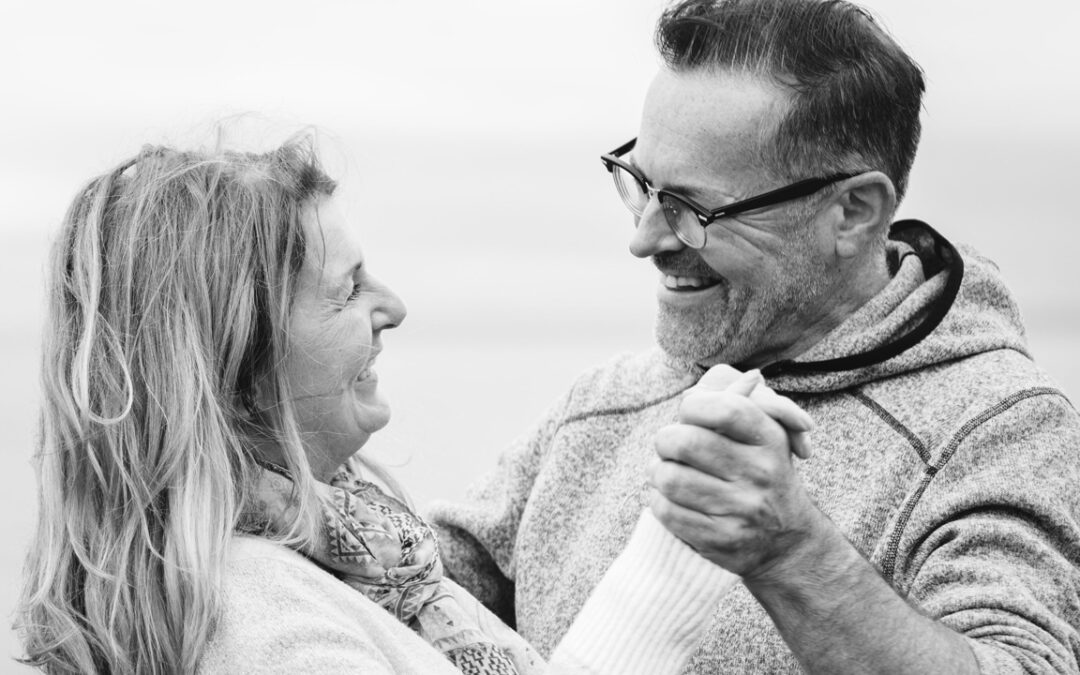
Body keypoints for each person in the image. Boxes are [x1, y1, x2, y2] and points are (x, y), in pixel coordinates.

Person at [428, 1, 1080, 673]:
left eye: (691, 207)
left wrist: (793, 551)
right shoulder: (601, 404)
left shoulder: (1000, 428)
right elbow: (409, 590)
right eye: (641, 183)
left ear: (852, 213)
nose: (644, 238)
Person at [16, 134, 749, 675]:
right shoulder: (262, 628)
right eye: (346, 288)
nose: (392, 307)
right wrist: (676, 546)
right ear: (235, 367)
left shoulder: (348, 563)